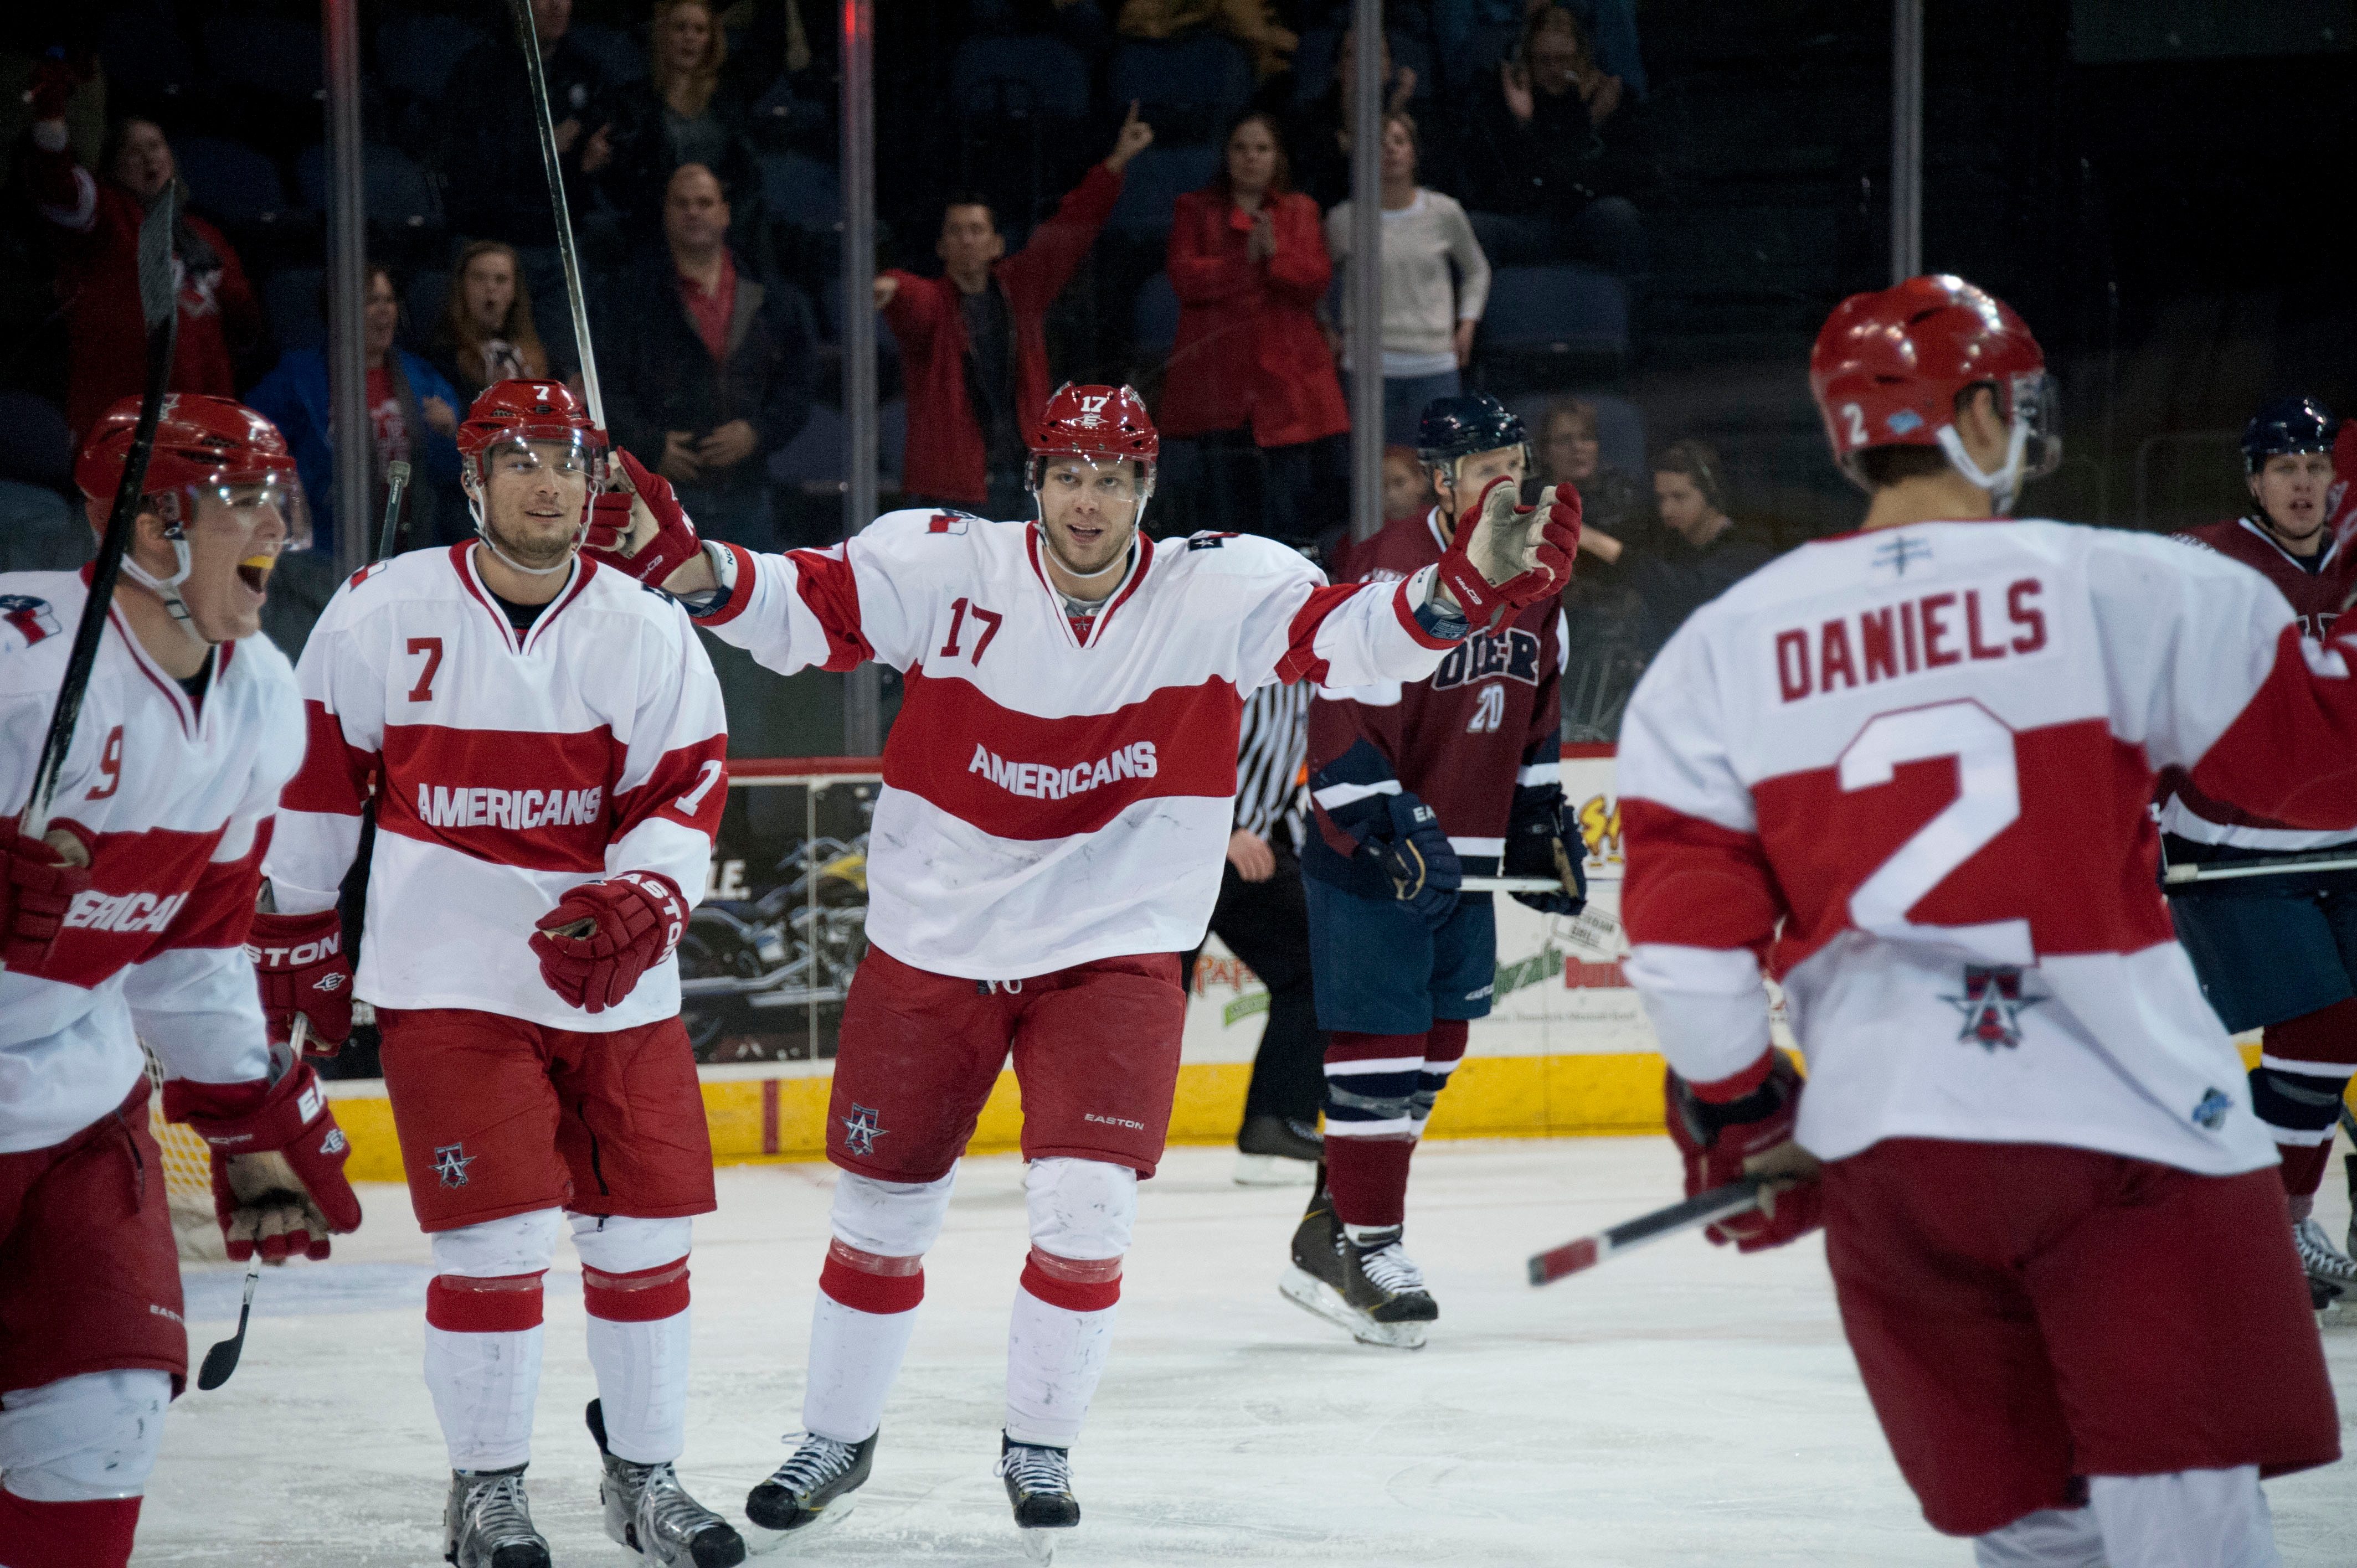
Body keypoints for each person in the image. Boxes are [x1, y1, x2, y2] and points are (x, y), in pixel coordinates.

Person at [583, 381, 1573, 1551]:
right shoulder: (945, 565)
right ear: (1033, 484)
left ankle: (1040, 1442)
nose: (1087, 500)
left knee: (1087, 1205)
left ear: (1146, 490)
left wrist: (1454, 594)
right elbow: (797, 604)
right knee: (880, 1217)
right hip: (935, 947)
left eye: (1111, 478)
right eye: (1067, 475)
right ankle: (836, 1437)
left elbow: (1348, 637)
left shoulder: (1218, 584)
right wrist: (685, 563)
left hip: (1111, 951)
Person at [1619, 274, 2345, 1566]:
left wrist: (1740, 1112)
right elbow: (2303, 773)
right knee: (2189, 1522)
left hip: (1898, 1152)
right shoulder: (2136, 585)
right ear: (1974, 413)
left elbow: (1683, 949)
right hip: (2132, 1134)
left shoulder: (1724, 644)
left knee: (2031, 1535)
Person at [256, 380, 738, 1568]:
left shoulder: (644, 624)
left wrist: (650, 894)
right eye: (519, 460)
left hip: (611, 985)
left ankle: (646, 1479)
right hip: (453, 980)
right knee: (497, 1241)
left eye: (567, 462)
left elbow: (685, 786)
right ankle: (488, 1491)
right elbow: (316, 783)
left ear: (592, 483)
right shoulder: (383, 610)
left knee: (642, 1242)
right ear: (471, 482)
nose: (547, 483)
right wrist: (297, 935)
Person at [0, 394, 361, 1568]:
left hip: (74, 1105)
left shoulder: (259, 699)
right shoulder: (17, 668)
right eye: (244, 502)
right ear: (155, 530)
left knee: (104, 1420)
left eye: (275, 497)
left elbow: (194, 945)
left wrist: (244, 1117)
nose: (273, 528)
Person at [1286, 391, 1585, 1348]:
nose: (1509, 483)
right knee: (1379, 1046)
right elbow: (1336, 710)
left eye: (1517, 463)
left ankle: (1334, 1218)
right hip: (1371, 846)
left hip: (1468, 846)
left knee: (1441, 1041)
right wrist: (1383, 818)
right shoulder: (1386, 566)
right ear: (1440, 479)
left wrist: (1539, 810)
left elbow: (1539, 704)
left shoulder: (1539, 570)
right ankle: (1371, 1242)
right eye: (1488, 467)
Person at [2159, 395, 2357, 1305]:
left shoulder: (2347, 561)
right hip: (2233, 850)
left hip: (2341, 844)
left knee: (2336, 1030)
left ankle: (2282, 1222)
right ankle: (2269, 1229)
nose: (2303, 484)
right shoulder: (2204, 565)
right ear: (2254, 479)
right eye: (2285, 469)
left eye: (2315, 468)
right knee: (2318, 1022)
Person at [874, 104, 1154, 522]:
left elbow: (1068, 231)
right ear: (941, 248)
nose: (967, 241)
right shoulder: (935, 302)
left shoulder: (1019, 291)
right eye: (955, 232)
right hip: (951, 485)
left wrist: (1115, 163)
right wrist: (892, 285)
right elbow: (915, 299)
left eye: (976, 231)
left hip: (1020, 474)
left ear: (996, 244)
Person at [1161, 112, 1350, 546]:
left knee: (1291, 507)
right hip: (1218, 379)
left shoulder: (1300, 210)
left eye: (1262, 148)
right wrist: (1246, 260)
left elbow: (1314, 278)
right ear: (1226, 156)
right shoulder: (1195, 209)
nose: (1251, 157)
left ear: (1277, 157)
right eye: (1241, 148)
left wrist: (1273, 257)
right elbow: (1185, 278)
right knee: (1222, 509)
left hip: (1286, 381)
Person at [24, 95, 262, 438]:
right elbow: (56, 187)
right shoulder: (106, 219)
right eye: (134, 151)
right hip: (124, 426)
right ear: (114, 167)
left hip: (204, 426)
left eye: (156, 146)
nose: (150, 157)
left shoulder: (205, 235)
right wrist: (50, 122)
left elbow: (245, 323)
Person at [603, 163, 814, 550]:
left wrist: (757, 433)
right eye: (682, 203)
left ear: (725, 212)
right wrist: (652, 447)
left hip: (748, 492)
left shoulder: (773, 296)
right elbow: (607, 388)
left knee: (753, 606)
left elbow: (799, 385)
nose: (693, 212)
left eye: (704, 202)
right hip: (659, 495)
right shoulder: (629, 297)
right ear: (665, 213)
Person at [1176, 676, 1330, 1184]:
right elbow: (1165, 737)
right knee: (1145, 997)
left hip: (1254, 856)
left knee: (1319, 965)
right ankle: (1082, 1146)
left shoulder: (1306, 677)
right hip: (1178, 853)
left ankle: (1276, 1125)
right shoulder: (1232, 643)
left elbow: (1281, 773)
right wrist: (1221, 827)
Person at [246, 264, 466, 560]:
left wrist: (448, 434)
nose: (384, 310)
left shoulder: (421, 376)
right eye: (370, 302)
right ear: (340, 311)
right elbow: (258, 451)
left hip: (413, 549)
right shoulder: (297, 379)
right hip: (331, 554)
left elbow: (451, 472)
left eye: (389, 300)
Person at [1323, 112, 1491, 447]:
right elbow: (1314, 279)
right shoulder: (1344, 219)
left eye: (1399, 142)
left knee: (1439, 471)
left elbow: (1476, 270)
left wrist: (1468, 323)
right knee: (1365, 473)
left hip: (1434, 362)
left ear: (1414, 152)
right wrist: (1327, 327)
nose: (1390, 151)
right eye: (1379, 144)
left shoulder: (1444, 212)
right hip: (1366, 365)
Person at [1460, 4, 1648, 271]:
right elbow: (1502, 189)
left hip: (1584, 222)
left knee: (1619, 215)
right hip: (1524, 224)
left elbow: (1614, 180)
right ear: (1529, 61)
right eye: (1543, 60)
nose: (1554, 69)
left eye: (1563, 60)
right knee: (1473, 226)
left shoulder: (1605, 101)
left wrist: (1590, 119)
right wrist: (1522, 123)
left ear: (1580, 58)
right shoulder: (1505, 101)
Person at [599, 0, 767, 262]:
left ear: (711, 40)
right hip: (654, 242)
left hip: (723, 240)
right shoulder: (635, 103)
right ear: (663, 34)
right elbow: (624, 187)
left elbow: (748, 176)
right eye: (680, 28)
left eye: (700, 30)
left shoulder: (730, 101)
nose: (690, 38)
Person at [1574, 438, 1776, 652]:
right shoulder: (1671, 544)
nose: (1667, 510)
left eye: (1679, 497)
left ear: (1710, 494)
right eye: (1661, 499)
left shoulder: (1746, 551)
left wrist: (1595, 541)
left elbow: (1681, 593)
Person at [430, 240, 554, 408]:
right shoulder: (442, 356)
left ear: (515, 290)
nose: (490, 287)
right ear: (462, 287)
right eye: (479, 278)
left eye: (501, 280)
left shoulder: (544, 357)